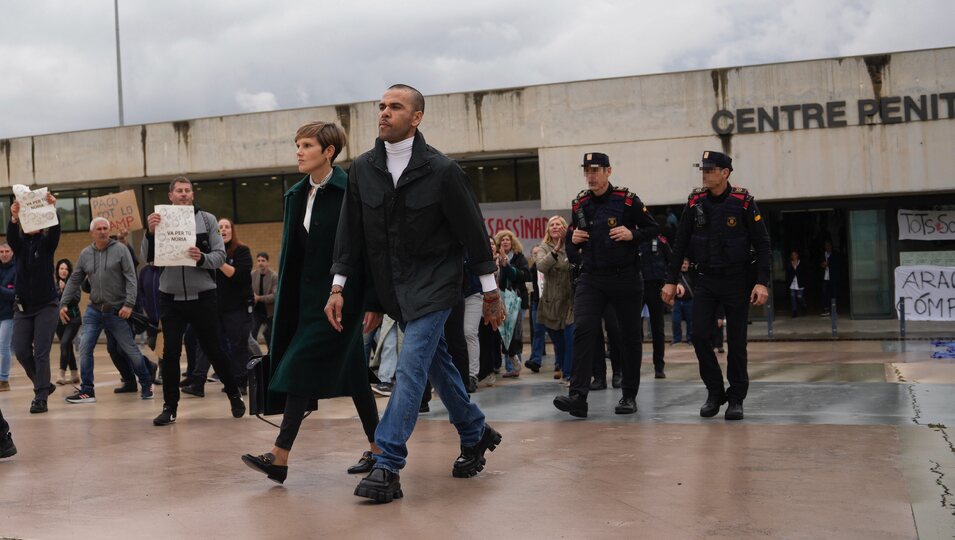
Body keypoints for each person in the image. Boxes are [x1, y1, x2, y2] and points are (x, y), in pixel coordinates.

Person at [327, 84, 505, 503]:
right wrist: (341, 287)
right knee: (436, 362)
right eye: (382, 106)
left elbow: (474, 233)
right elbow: (352, 237)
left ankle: (387, 463)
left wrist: (491, 292)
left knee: (409, 366)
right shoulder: (363, 170)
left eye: (395, 107)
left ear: (417, 117)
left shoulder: (443, 171)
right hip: (394, 288)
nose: (385, 113)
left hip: (437, 284)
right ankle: (475, 431)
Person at [241, 121, 382, 484]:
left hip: (342, 298)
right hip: (302, 302)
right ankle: (381, 449)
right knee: (356, 377)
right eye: (297, 145)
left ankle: (280, 455)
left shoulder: (351, 189)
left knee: (300, 365)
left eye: (306, 145)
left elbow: (368, 250)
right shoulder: (294, 195)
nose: (299, 152)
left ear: (329, 152)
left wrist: (372, 301)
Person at [661, 150, 771, 421]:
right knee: (699, 335)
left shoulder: (743, 202)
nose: (705, 174)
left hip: (737, 279)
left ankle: (736, 398)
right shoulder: (695, 201)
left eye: (711, 170)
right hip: (706, 280)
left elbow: (763, 244)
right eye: (703, 170)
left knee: (736, 342)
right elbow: (680, 244)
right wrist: (670, 280)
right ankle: (714, 391)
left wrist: (761, 282)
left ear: (725, 173)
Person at [554, 152, 659, 418]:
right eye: (587, 170)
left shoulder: (627, 201)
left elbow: (652, 229)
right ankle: (578, 396)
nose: (590, 175)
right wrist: (574, 242)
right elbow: (570, 244)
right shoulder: (580, 204)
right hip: (592, 278)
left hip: (625, 277)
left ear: (608, 172)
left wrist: (632, 234)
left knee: (628, 337)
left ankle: (628, 394)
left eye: (596, 170)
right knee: (584, 329)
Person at [142, 177, 246, 425]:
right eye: (179, 191)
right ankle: (170, 407)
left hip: (203, 295)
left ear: (192, 194)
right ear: (170, 196)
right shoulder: (159, 221)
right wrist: (149, 232)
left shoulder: (208, 220)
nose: (184, 194)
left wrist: (201, 259)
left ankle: (234, 394)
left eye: (188, 191)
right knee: (170, 354)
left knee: (214, 349)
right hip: (170, 297)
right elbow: (147, 259)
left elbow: (220, 256)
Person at [61, 217, 154, 404]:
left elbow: (131, 278)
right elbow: (74, 280)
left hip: (117, 311)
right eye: (99, 229)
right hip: (94, 311)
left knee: (130, 350)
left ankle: (146, 384)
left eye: (106, 228)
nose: (103, 231)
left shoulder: (120, 250)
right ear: (92, 233)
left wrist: (129, 304)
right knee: (85, 348)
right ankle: (87, 391)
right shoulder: (86, 253)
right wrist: (63, 302)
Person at [183, 218, 254, 395]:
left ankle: (240, 382)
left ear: (232, 230)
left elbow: (237, 275)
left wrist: (218, 259)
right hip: (214, 307)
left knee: (238, 346)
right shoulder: (210, 253)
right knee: (206, 344)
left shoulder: (242, 251)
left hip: (237, 308)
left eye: (227, 227)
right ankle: (198, 382)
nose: (223, 230)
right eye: (220, 228)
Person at [8, 195, 61, 414]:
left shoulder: (47, 244)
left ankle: (40, 397)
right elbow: (11, 238)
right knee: (20, 350)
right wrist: (12, 217)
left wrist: (52, 209)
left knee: (41, 352)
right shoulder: (19, 246)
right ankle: (44, 384)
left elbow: (56, 231)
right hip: (23, 307)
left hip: (46, 306)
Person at [533, 216, 575, 383]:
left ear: (565, 228)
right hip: (551, 304)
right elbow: (541, 266)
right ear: (548, 230)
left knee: (571, 339)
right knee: (560, 344)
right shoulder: (542, 248)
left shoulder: (572, 246)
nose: (555, 227)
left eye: (559, 224)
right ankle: (565, 370)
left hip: (571, 302)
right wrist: (556, 250)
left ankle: (569, 375)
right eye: (552, 225)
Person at [494, 229, 531, 378]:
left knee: (515, 333)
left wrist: (508, 267)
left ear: (512, 242)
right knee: (503, 334)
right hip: (498, 301)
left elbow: (526, 276)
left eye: (508, 239)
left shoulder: (519, 257)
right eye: (502, 240)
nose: (505, 242)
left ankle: (515, 367)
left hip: (516, 299)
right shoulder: (494, 258)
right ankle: (508, 365)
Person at [639, 233, 671, 378]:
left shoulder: (659, 240)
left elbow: (671, 260)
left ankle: (659, 366)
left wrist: (670, 282)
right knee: (633, 328)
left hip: (655, 286)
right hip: (636, 287)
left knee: (658, 329)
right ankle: (632, 365)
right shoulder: (633, 237)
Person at [54, 259, 81, 386]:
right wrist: (59, 290)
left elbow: (76, 299)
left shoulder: (74, 283)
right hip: (59, 321)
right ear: (57, 270)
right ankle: (75, 374)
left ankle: (61, 373)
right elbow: (53, 301)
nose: (63, 271)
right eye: (61, 268)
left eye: (66, 269)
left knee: (64, 343)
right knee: (67, 346)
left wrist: (65, 289)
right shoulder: (53, 284)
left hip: (73, 319)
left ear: (69, 271)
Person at [251, 252, 277, 347]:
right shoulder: (253, 275)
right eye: (258, 261)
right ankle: (252, 357)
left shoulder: (274, 276)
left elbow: (275, 296)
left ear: (267, 262)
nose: (260, 263)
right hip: (256, 311)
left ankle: (271, 355)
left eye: (263, 260)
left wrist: (259, 298)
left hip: (269, 313)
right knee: (252, 334)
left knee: (269, 334)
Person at [0, 243, 15, 392]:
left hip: (9, 315)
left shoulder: (16, 269)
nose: (4, 254)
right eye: (1, 252)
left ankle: (3, 380)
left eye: (6, 251)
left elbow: (15, 294)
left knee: (4, 346)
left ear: (12, 253)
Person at [671, 259, 694, 345]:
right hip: (677, 302)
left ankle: (690, 339)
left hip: (689, 301)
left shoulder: (692, 275)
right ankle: (677, 339)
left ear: (688, 265)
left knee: (691, 321)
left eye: (686, 264)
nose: (684, 265)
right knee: (675, 321)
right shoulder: (676, 275)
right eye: (682, 263)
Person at [785, 250, 808, 317]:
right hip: (792, 283)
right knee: (793, 297)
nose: (794, 256)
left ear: (797, 255)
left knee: (799, 296)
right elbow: (788, 274)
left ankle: (804, 306)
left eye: (795, 254)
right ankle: (794, 311)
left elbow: (805, 273)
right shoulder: (789, 264)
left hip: (800, 282)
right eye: (792, 255)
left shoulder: (801, 263)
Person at [820, 240, 839, 316]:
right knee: (825, 293)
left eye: (829, 245)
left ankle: (834, 310)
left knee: (834, 294)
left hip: (833, 277)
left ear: (831, 246)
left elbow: (837, 264)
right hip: (825, 277)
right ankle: (826, 309)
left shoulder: (835, 254)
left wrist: (829, 264)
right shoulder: (822, 255)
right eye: (826, 245)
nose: (827, 247)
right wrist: (822, 265)